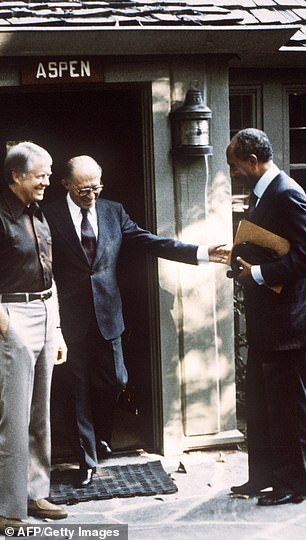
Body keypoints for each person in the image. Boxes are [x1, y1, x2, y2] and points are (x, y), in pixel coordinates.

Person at [43, 154, 229, 488]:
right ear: (66, 184)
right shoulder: (49, 215)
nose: (92, 195)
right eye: (84, 189)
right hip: (68, 320)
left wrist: (199, 252)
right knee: (76, 390)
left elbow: (148, 240)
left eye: (96, 187)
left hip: (108, 316)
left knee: (115, 380)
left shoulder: (113, 211)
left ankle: (99, 435)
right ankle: (86, 459)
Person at [226, 128, 306, 506]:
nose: (234, 172)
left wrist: (256, 274)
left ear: (253, 161)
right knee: (260, 406)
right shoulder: (264, 193)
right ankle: (261, 477)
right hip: (265, 324)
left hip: (286, 326)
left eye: (235, 165)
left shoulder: (288, 193)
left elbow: (303, 257)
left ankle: (293, 483)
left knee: (286, 408)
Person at [0, 142, 68, 534]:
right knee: (14, 417)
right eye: (40, 174)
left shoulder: (38, 213)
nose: (47, 181)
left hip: (44, 312)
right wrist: (4, 322)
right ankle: (8, 506)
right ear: (16, 176)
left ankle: (35, 492)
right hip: (12, 315)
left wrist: (56, 328)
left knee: (39, 412)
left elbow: (50, 274)